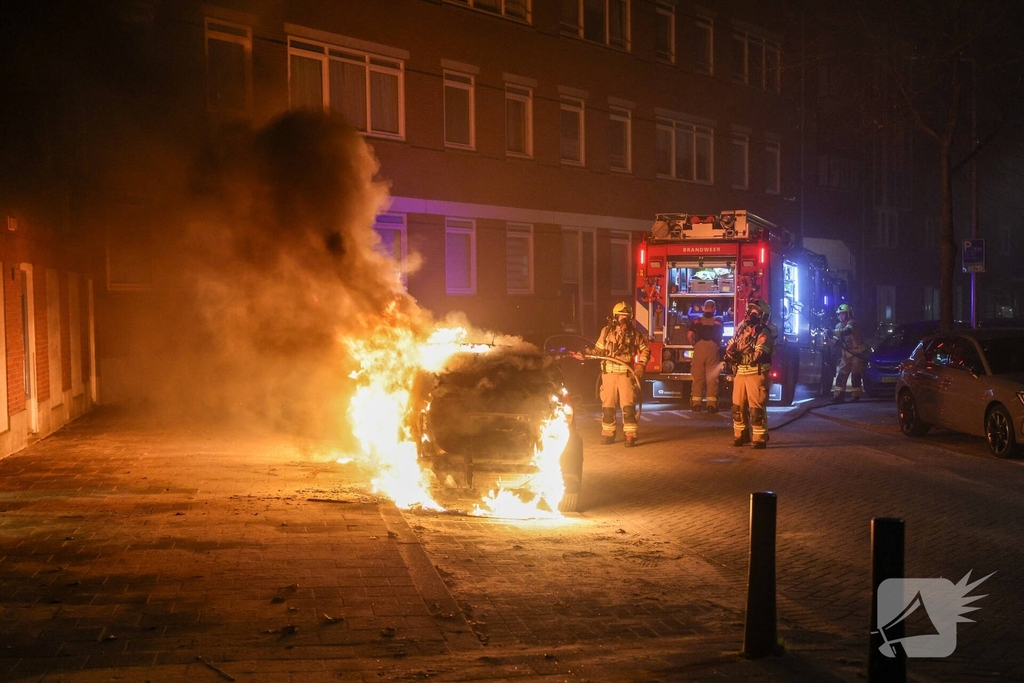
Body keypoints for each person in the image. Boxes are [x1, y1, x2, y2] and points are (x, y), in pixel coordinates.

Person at [592, 302, 651, 447]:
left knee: (628, 407)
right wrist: (587, 353)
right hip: (608, 375)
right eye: (621, 316)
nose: (623, 319)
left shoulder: (634, 334)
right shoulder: (606, 332)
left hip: (626, 375)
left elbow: (645, 350)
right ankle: (608, 434)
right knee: (608, 407)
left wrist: (640, 366)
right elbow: (598, 350)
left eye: (626, 317)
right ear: (615, 317)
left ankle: (630, 435)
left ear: (630, 318)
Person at [724, 300, 775, 449]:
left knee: (756, 409)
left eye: (756, 312)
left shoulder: (764, 332)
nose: (752, 314)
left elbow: (759, 354)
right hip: (740, 373)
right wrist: (729, 354)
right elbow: (732, 343)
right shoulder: (742, 328)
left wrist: (740, 358)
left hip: (756, 374)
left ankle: (759, 438)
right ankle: (741, 435)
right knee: (737, 407)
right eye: (751, 311)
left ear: (762, 316)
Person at [687, 299, 724, 413]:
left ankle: (696, 404)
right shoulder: (718, 320)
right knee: (711, 378)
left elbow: (689, 335)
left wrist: (694, 345)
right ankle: (711, 405)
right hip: (712, 350)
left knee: (698, 377)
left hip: (699, 349)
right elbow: (720, 335)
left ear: (704, 308)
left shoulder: (696, 320)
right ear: (714, 309)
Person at [831, 303, 868, 402]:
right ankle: (838, 395)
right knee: (841, 375)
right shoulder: (838, 325)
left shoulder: (852, 323)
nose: (840, 316)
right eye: (839, 314)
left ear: (848, 314)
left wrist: (832, 332)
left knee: (855, 375)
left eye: (843, 314)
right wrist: (834, 339)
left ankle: (856, 395)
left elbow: (847, 331)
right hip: (846, 355)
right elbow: (837, 338)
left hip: (857, 354)